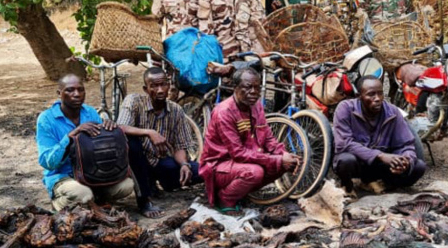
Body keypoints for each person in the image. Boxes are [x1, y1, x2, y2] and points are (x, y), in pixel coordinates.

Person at [199, 67, 300, 210]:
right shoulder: (224, 112)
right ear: (235, 88)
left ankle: (239, 192)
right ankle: (225, 198)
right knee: (255, 172)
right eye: (248, 87)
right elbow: (238, 153)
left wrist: (283, 154)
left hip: (240, 162)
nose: (253, 92)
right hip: (219, 165)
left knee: (284, 164)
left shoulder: (256, 105)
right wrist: (277, 159)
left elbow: (268, 138)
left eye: (257, 88)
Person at [36, 74, 134, 210]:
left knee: (126, 186)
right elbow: (48, 163)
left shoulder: (90, 112)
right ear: (59, 93)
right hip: (63, 176)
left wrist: (109, 130)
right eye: (70, 90)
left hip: (92, 175)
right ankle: (59, 203)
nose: (77, 94)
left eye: (80, 90)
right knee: (82, 194)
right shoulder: (46, 119)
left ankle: (92, 201)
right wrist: (70, 137)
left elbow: (101, 147)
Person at [116, 67, 201, 218]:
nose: (160, 90)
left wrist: (184, 164)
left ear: (169, 86)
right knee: (131, 142)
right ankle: (144, 200)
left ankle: (166, 183)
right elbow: (120, 127)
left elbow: (180, 146)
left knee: (202, 170)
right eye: (154, 86)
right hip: (137, 163)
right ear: (146, 89)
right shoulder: (134, 101)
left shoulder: (176, 110)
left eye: (163, 85)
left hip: (161, 161)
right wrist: (149, 132)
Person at [332, 76, 427, 194]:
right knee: (346, 160)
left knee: (418, 167)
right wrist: (379, 155)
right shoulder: (345, 108)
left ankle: (385, 184)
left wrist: (405, 161)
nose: (377, 98)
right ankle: (347, 186)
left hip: (381, 165)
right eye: (371, 94)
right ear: (359, 96)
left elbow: (406, 144)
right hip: (358, 162)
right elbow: (344, 143)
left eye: (380, 93)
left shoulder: (392, 112)